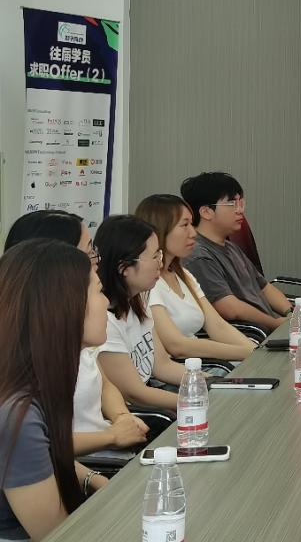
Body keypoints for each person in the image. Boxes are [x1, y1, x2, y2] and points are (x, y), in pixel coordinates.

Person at [3, 211, 149, 458]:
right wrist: (112, 436)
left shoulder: (76, 334)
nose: (96, 261)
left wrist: (122, 418)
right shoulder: (27, 354)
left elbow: (105, 384)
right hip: (93, 459)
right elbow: (38, 445)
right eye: (88, 252)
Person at [0, 239, 112, 540]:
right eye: (99, 292)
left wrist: (94, 480)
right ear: (65, 306)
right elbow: (57, 535)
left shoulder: (32, 381)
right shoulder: (17, 415)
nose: (107, 303)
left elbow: (48, 453)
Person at [135, 194, 255, 364]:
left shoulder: (183, 274)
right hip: (186, 369)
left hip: (205, 364)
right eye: (185, 225)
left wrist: (254, 351)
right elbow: (177, 346)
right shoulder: (148, 283)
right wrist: (247, 353)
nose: (193, 233)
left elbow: (217, 326)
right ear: (159, 230)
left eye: (191, 224)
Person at [95, 215, 187, 413]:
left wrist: (208, 382)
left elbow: (162, 365)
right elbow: (136, 394)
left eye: (159, 254)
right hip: (139, 414)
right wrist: (196, 401)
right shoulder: (104, 323)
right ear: (124, 268)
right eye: (154, 257)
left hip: (154, 401)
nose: (160, 264)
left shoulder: (138, 299)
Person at [180, 172, 290, 332]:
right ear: (206, 212)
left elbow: (265, 287)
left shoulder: (231, 247)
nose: (240, 210)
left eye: (241, 202)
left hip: (271, 329)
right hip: (253, 336)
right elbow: (229, 308)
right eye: (232, 203)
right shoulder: (198, 256)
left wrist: (292, 313)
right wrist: (274, 323)